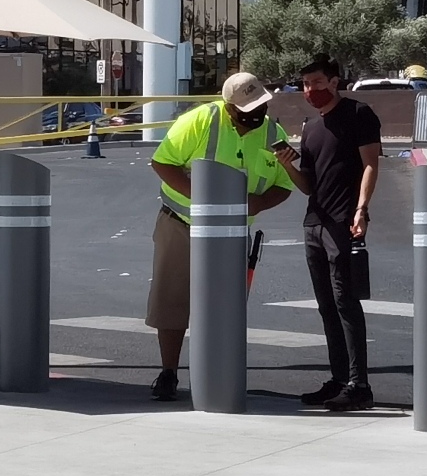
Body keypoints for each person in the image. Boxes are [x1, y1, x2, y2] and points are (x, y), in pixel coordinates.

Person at [145, 71, 295, 402]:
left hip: (231, 233)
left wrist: (259, 202)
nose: (258, 114)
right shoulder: (199, 121)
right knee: (172, 300)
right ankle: (168, 372)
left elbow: (285, 185)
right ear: (229, 107)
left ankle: (217, 371)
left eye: (262, 105)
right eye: (249, 108)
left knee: (223, 306)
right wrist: (205, 200)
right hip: (181, 222)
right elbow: (162, 164)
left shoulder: (274, 133)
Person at [272, 54, 382, 411]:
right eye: (306, 85)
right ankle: (338, 379)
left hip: (342, 222)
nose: (311, 90)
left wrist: (361, 209)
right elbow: (308, 185)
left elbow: (370, 164)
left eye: (317, 83)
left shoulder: (358, 114)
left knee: (346, 302)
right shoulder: (311, 127)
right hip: (314, 223)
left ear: (335, 82)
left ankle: (358, 384)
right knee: (326, 306)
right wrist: (288, 166)